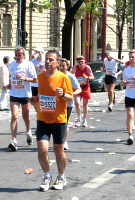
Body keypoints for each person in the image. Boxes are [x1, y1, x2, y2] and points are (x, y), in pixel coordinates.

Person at [37, 50, 73, 191]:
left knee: (59, 151)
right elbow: (35, 95)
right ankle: (47, 176)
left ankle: (61, 176)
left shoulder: (63, 78)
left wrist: (63, 94)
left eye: (51, 59)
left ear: (57, 63)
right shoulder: (40, 77)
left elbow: (71, 98)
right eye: (46, 59)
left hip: (59, 120)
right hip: (43, 119)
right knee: (42, 150)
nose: (48, 62)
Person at [8, 47, 37, 151]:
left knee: (25, 116)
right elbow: (11, 77)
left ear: (24, 55)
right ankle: (14, 140)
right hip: (14, 94)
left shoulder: (29, 64)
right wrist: (9, 84)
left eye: (20, 54)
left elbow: (34, 79)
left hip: (25, 94)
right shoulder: (11, 65)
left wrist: (24, 78)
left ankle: (28, 131)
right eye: (17, 54)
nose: (18, 56)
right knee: (14, 116)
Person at [59, 58, 81, 150]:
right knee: (57, 124)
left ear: (67, 66)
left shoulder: (71, 76)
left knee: (64, 123)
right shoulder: (56, 75)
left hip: (68, 104)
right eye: (60, 65)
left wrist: (71, 94)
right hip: (57, 103)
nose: (61, 67)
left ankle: (64, 141)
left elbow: (79, 89)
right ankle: (59, 141)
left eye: (63, 65)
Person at [71, 56, 94, 127]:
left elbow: (92, 77)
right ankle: (78, 118)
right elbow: (70, 75)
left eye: (82, 62)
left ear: (84, 62)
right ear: (77, 63)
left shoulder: (87, 68)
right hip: (77, 88)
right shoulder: (75, 67)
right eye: (79, 62)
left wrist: (87, 77)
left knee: (85, 104)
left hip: (85, 87)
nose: (81, 64)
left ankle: (84, 120)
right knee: (77, 103)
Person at [30, 48, 45, 112]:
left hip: (42, 83)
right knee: (33, 99)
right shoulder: (33, 61)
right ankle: (38, 111)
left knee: (41, 99)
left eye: (39, 52)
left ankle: (41, 112)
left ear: (42, 53)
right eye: (36, 52)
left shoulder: (45, 61)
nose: (38, 54)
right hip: (34, 83)